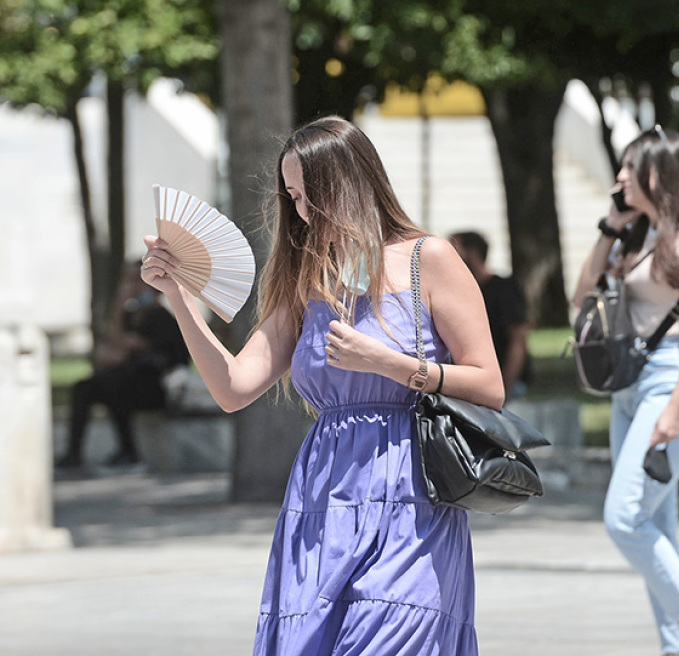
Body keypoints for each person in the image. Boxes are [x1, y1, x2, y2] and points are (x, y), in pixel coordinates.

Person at [140, 116, 502, 655]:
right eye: (293, 198)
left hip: (413, 496)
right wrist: (180, 299)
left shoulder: (431, 259)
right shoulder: (306, 277)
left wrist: (387, 363)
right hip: (324, 498)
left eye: (311, 195)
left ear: (352, 184)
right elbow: (234, 386)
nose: (303, 212)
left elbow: (489, 384)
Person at [572, 126, 679, 656]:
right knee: (653, 523)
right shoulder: (639, 231)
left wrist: (676, 407)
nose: (619, 176)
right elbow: (581, 297)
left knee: (623, 518)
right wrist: (609, 230)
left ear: (657, 173)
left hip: (671, 381)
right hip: (630, 388)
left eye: (629, 167)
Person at [56, 263, 188, 468]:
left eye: (131, 280)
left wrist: (120, 304)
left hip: (158, 388)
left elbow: (123, 346)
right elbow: (112, 346)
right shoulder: (131, 315)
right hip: (130, 381)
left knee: (115, 386)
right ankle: (75, 454)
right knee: (85, 388)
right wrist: (120, 303)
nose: (127, 286)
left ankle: (129, 452)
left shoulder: (159, 317)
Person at [449, 230, 531, 402]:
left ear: (473, 253)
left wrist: (505, 387)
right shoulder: (458, 293)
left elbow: (518, 338)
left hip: (505, 386)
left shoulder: (503, 289)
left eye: (453, 249)